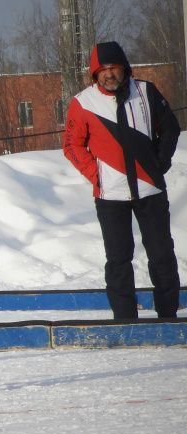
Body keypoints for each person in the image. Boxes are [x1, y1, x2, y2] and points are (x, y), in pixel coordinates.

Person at [63, 41, 181, 319]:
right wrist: (96, 175)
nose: (109, 74)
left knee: (162, 255)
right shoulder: (83, 102)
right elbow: (71, 145)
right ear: (95, 74)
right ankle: (125, 320)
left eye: (114, 67)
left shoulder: (146, 92)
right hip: (110, 197)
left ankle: (168, 316)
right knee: (118, 260)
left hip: (150, 191)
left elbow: (170, 129)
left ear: (124, 68)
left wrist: (159, 163)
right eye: (102, 70)